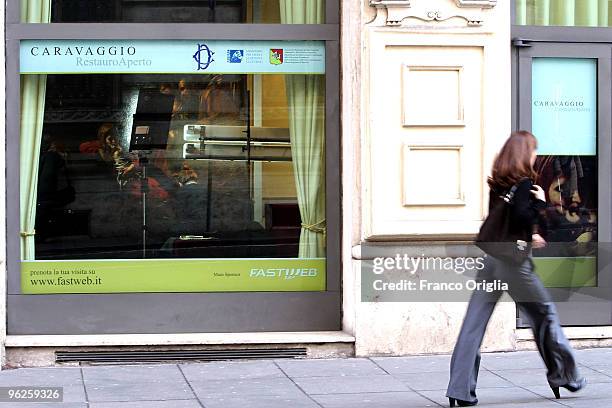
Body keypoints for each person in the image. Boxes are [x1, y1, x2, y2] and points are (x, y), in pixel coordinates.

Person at [446, 131, 586, 407]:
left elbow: (503, 222)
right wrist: (541, 205)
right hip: (514, 264)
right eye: (533, 151)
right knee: (545, 314)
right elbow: (522, 216)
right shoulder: (524, 185)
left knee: (473, 324)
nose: (535, 156)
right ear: (525, 153)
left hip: (491, 260)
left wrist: (529, 232)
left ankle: (459, 390)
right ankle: (566, 375)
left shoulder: (498, 183)